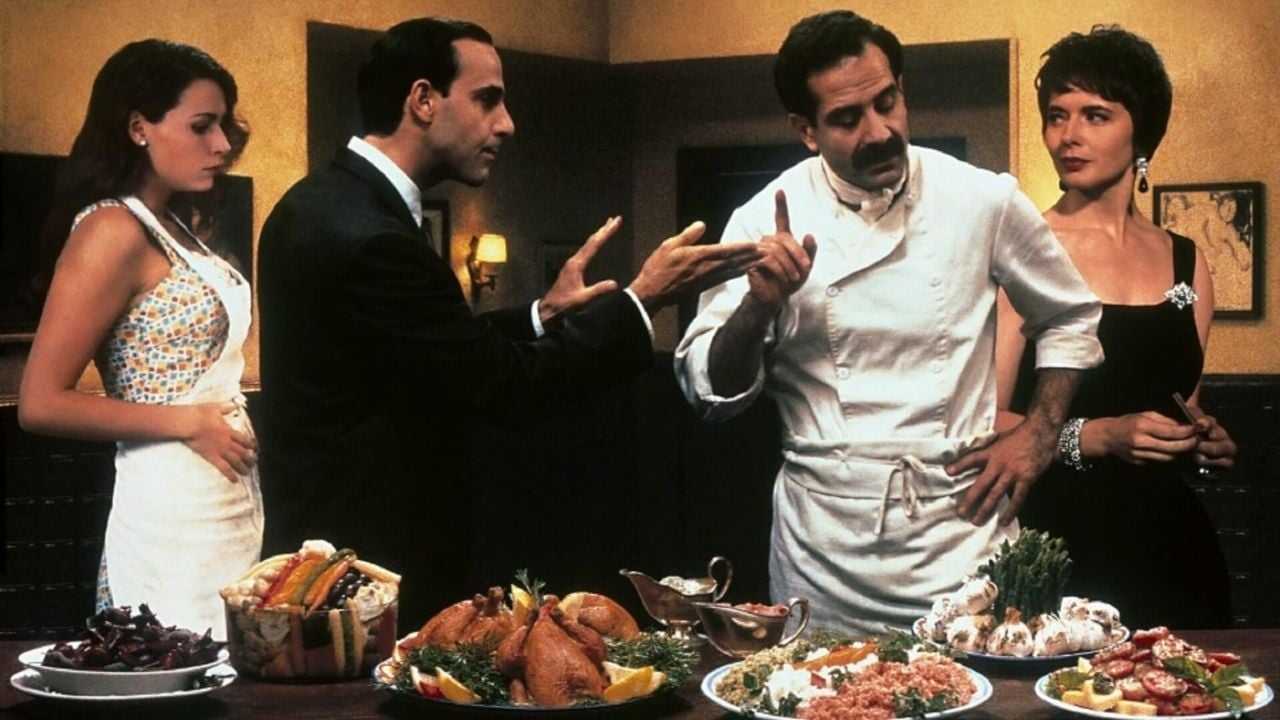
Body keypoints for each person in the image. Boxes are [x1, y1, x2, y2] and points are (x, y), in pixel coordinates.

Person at [256, 17, 761, 624]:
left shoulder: (321, 202)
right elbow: (506, 386)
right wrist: (642, 299)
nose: (507, 123)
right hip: (367, 574)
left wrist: (542, 315)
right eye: (487, 99)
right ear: (423, 100)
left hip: (336, 553)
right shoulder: (372, 236)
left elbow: (421, 351)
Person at [674, 9, 1104, 635]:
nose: (879, 131)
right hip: (824, 548)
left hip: (960, 533)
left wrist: (1040, 434)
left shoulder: (980, 199)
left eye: (887, 103)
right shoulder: (762, 219)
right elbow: (710, 392)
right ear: (806, 130)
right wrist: (758, 306)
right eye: (847, 118)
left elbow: (1071, 314)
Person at [997, 26, 1236, 629]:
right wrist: (1098, 436)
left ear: (1141, 132)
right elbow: (980, 421)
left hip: (1170, 547)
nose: (1068, 135)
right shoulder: (1023, 249)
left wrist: (1202, 439)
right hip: (1055, 546)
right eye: (1057, 115)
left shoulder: (1187, 260)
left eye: (1095, 115)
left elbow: (1182, 405)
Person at [18, 40, 256, 639]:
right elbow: (39, 404)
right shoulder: (110, 229)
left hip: (217, 500)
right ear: (137, 128)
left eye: (223, 125)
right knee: (173, 665)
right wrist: (190, 422)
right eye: (201, 125)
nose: (222, 145)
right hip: (167, 509)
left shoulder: (174, 226)